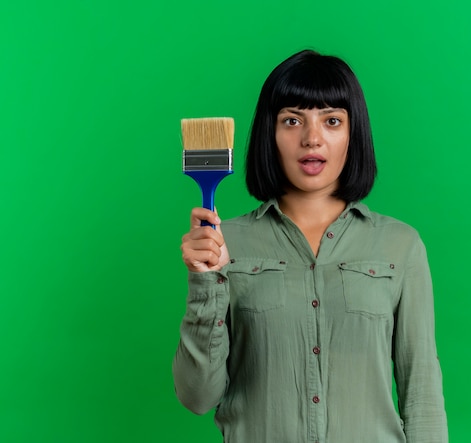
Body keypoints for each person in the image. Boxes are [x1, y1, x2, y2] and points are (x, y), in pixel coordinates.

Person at [173, 49, 448, 442]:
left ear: (354, 134)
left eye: (332, 120)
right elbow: (197, 396)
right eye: (291, 120)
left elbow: (421, 393)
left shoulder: (400, 246)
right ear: (271, 133)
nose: (312, 138)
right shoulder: (223, 245)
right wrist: (205, 282)